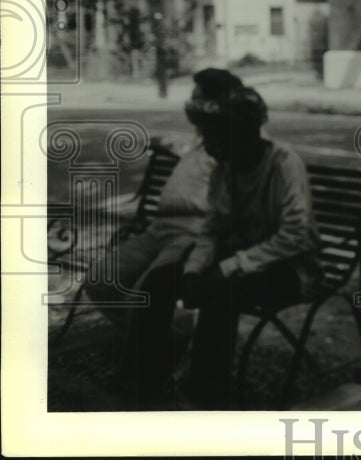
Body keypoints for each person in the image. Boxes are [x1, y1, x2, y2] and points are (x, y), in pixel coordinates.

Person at [177, 84, 322, 409]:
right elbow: (212, 229)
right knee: (183, 275)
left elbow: (295, 235)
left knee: (222, 291)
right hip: (248, 263)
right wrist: (194, 269)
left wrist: (230, 267)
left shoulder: (283, 164)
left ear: (241, 134)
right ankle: (187, 381)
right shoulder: (224, 168)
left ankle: (207, 395)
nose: (207, 147)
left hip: (294, 270)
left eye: (213, 138)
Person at [85, 69, 241, 327]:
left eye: (196, 98)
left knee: (144, 296)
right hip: (157, 230)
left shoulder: (236, 144)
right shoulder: (202, 139)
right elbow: (187, 152)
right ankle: (163, 340)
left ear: (216, 105)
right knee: (100, 281)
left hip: (191, 236)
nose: (190, 104)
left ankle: (160, 345)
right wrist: (163, 143)